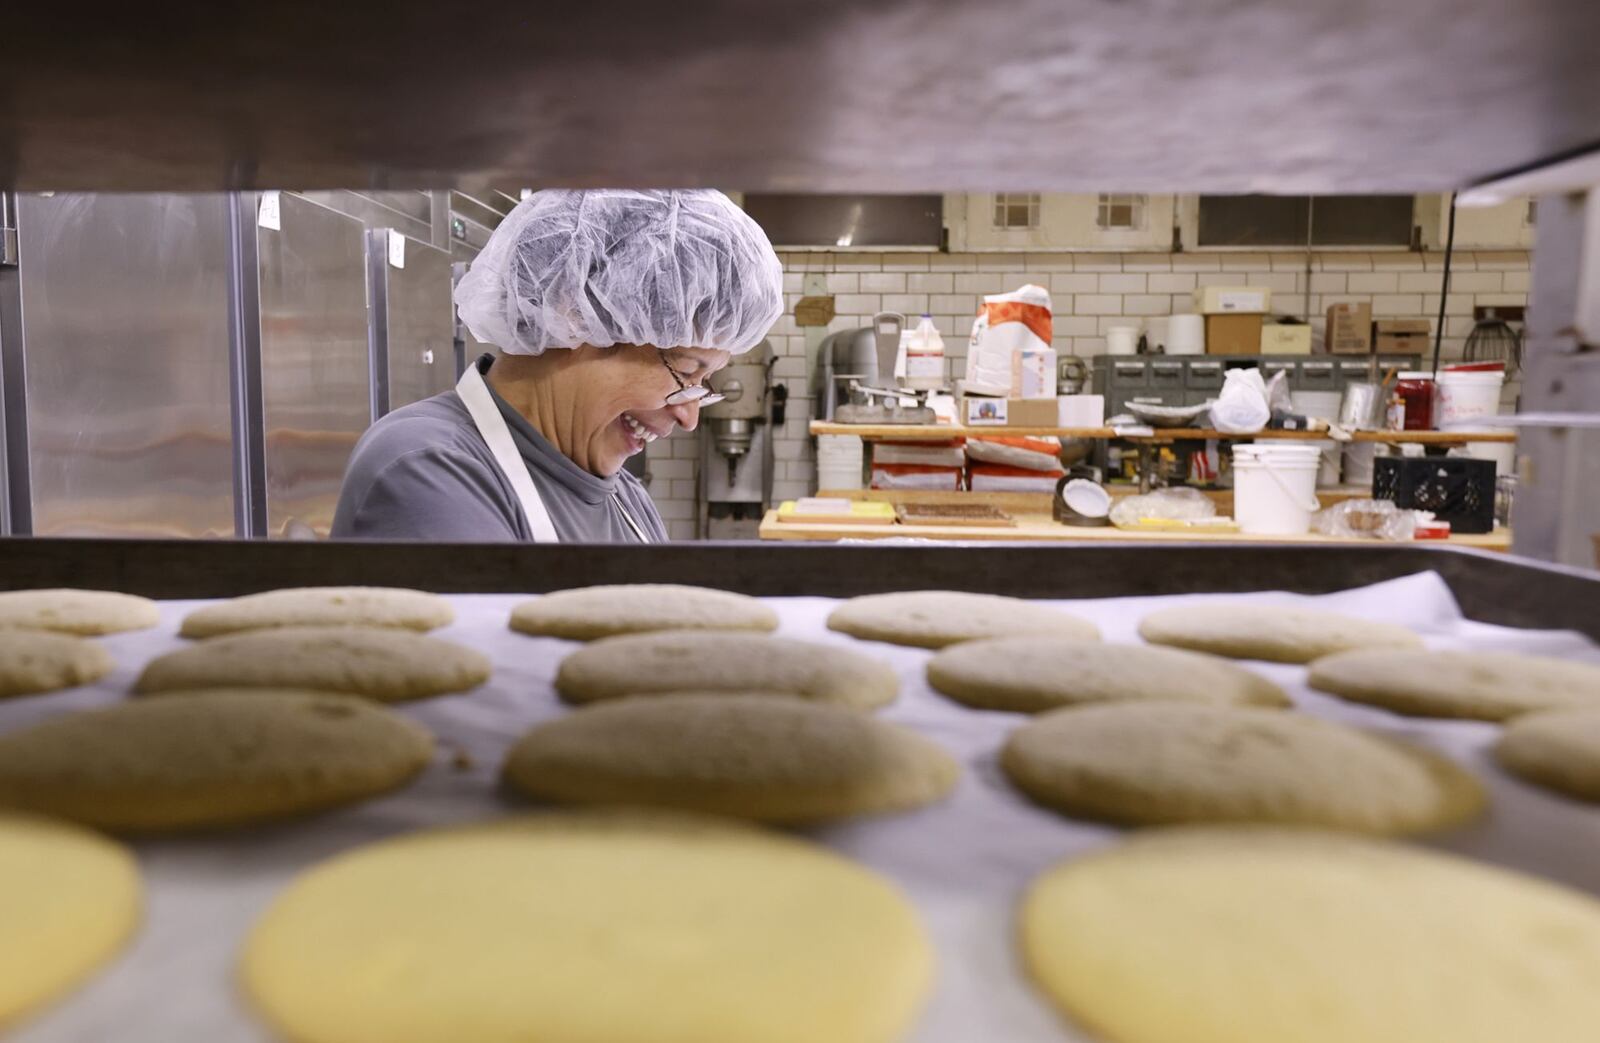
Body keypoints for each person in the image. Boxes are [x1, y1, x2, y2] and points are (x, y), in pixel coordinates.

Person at [330, 189, 783, 542]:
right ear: (576, 315)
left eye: (705, 383)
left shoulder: (626, 498)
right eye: (685, 372)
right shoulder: (429, 470)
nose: (688, 417)